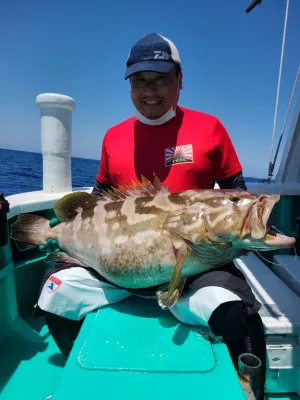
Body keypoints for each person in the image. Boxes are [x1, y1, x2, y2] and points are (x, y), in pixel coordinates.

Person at [34, 33, 266, 399]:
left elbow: (238, 194)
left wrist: (246, 234)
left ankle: (252, 393)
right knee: (53, 295)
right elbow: (98, 197)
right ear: (129, 86)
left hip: (195, 263)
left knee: (241, 316)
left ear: (180, 80)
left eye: (160, 78)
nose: (150, 90)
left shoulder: (210, 129)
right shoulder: (113, 137)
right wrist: (65, 232)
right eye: (140, 80)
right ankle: (83, 379)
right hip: (115, 268)